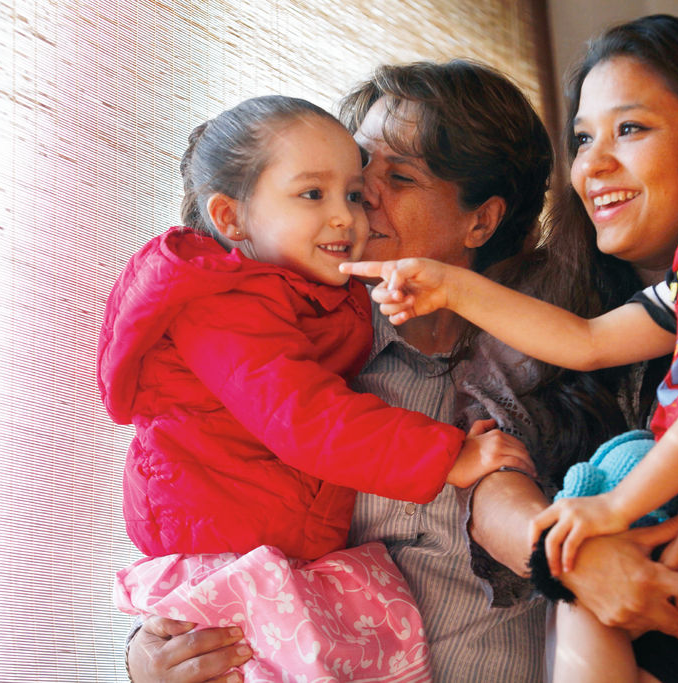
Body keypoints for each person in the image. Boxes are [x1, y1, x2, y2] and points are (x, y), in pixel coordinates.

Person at [125, 45, 678, 681]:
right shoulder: (312, 351)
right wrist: (154, 647)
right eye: (583, 139)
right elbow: (210, 501)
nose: (356, 205)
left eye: (390, 179)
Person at [97, 94, 536, 681]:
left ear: (480, 220)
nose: (358, 208)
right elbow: (297, 423)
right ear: (231, 217)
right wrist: (146, 660)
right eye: (318, 192)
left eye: (393, 179)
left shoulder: (543, 365)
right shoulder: (242, 309)